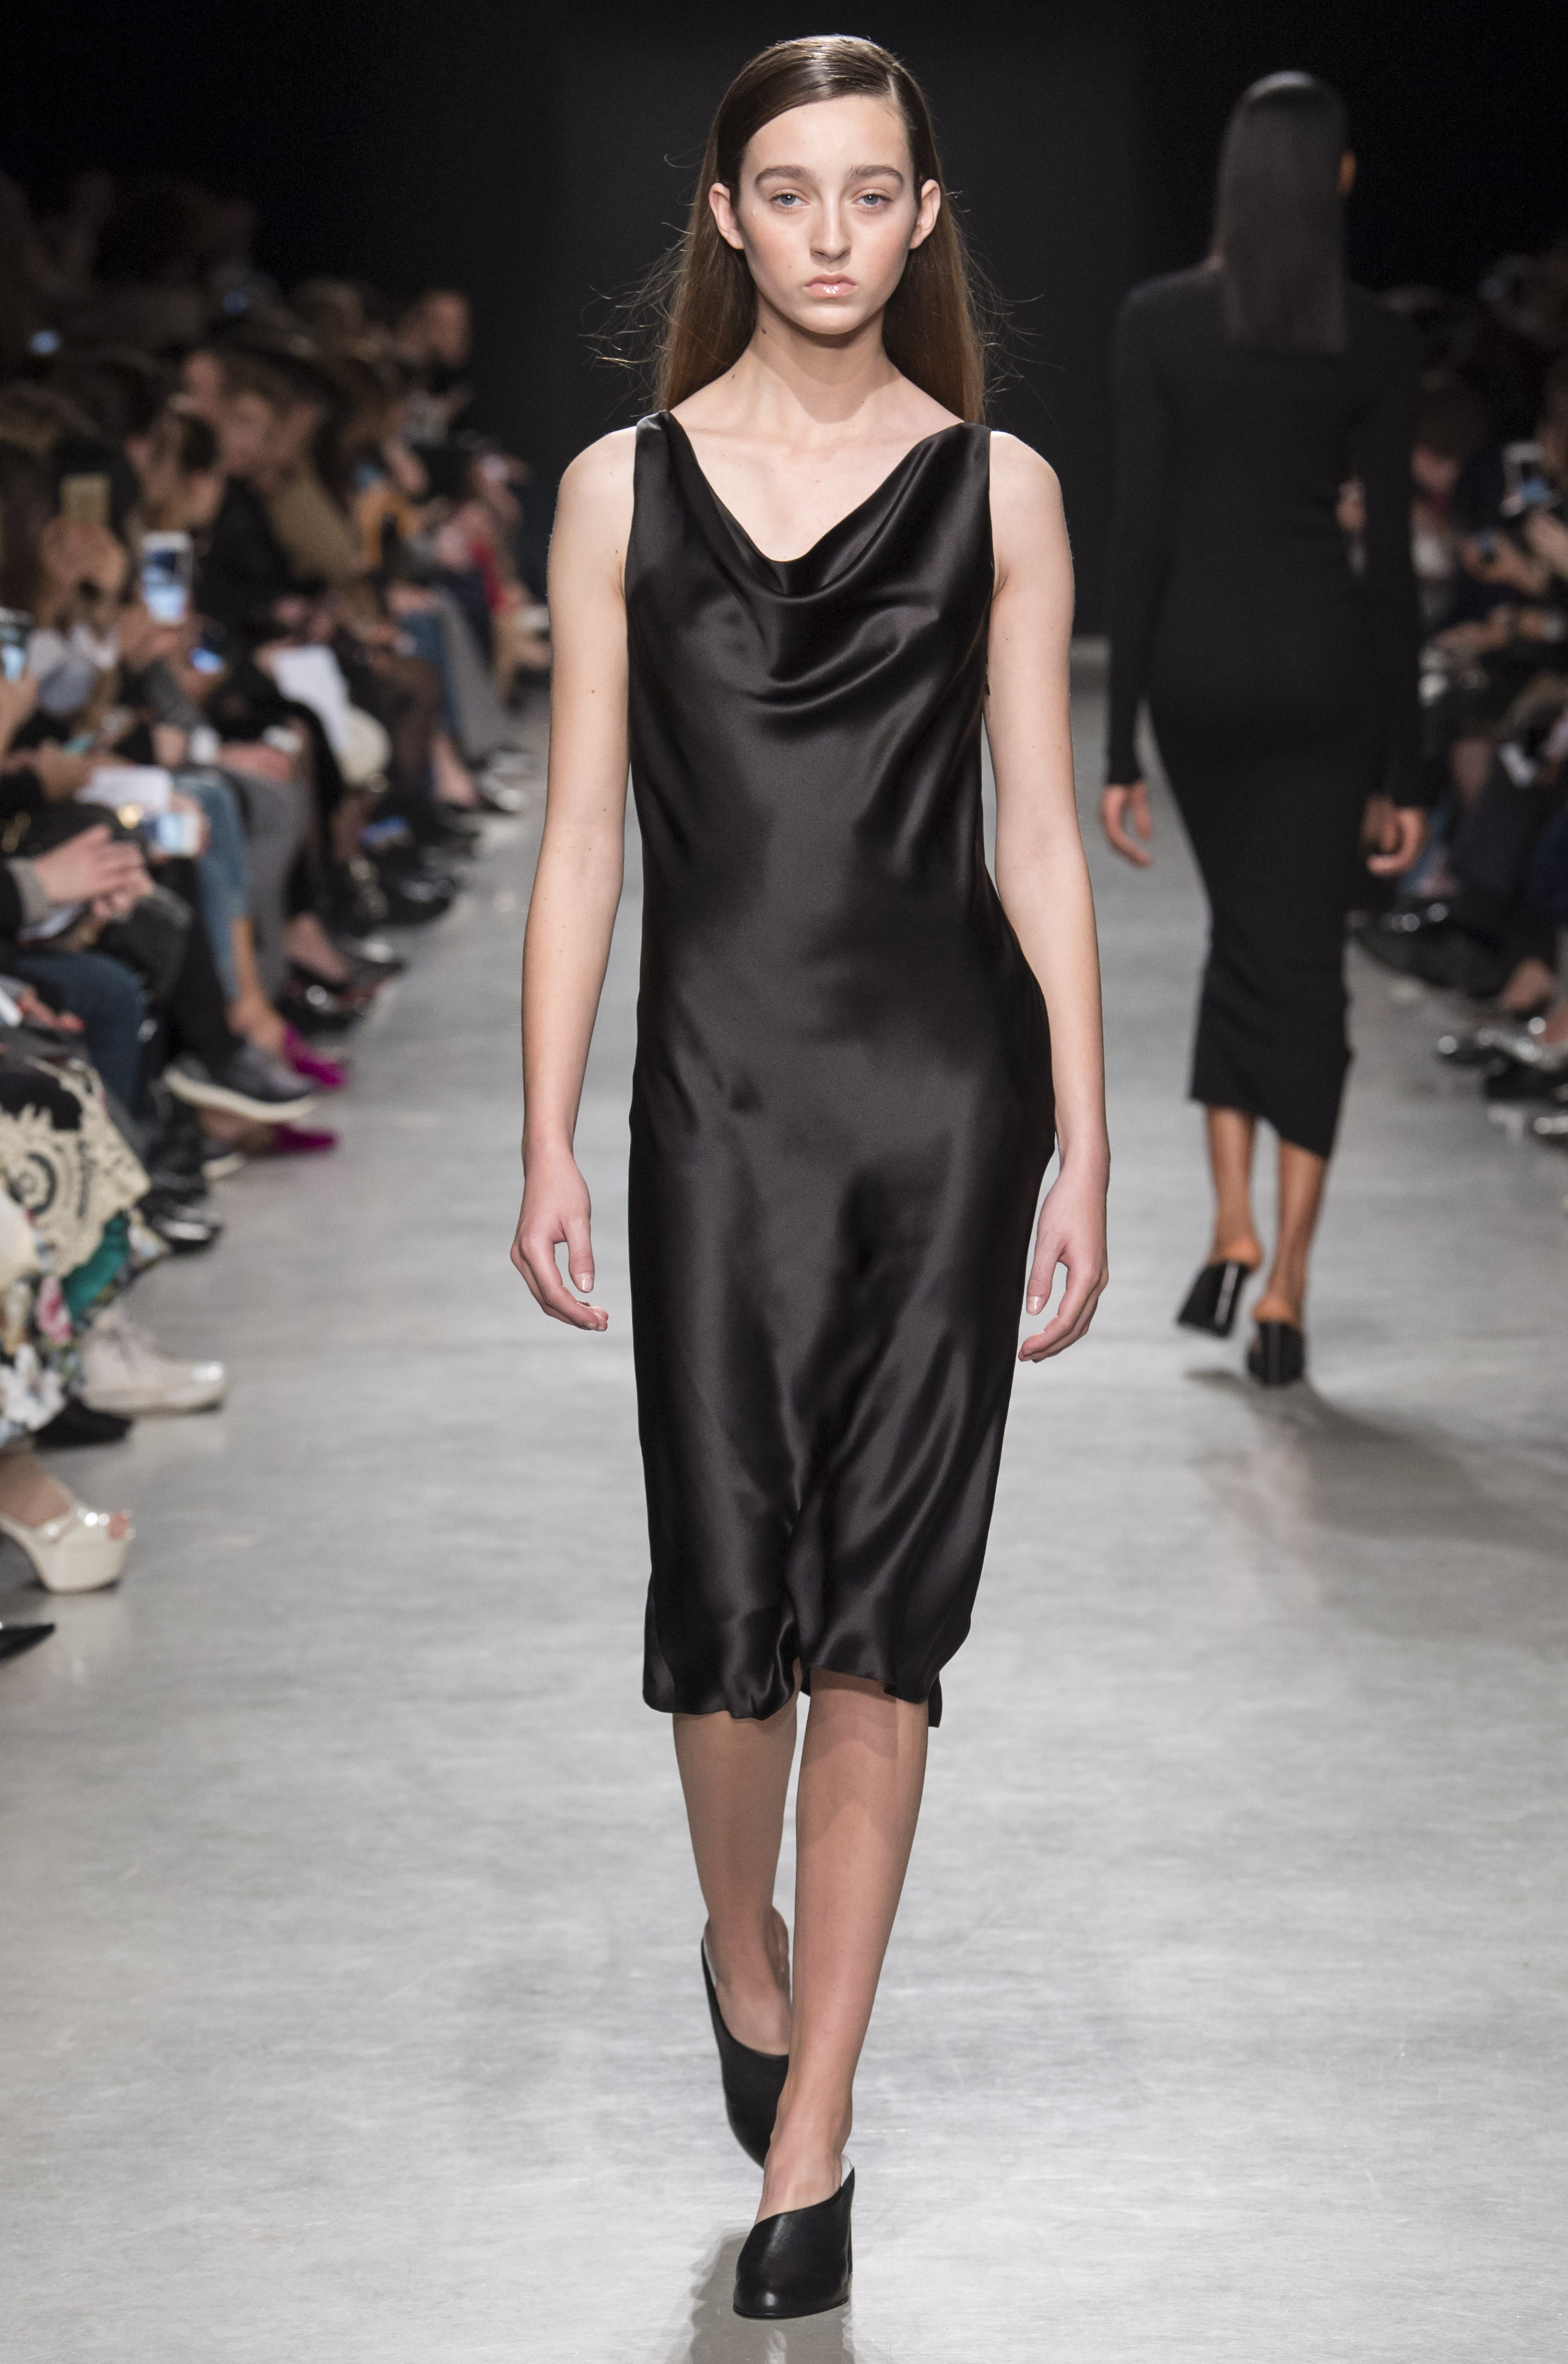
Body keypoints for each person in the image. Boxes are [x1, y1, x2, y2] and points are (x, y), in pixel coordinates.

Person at [510, 32, 1107, 2324]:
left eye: (872, 192)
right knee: (724, 1605)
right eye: (791, 191)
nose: (833, 232)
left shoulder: (1003, 492)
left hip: (944, 1105)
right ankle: (739, 1944)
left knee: (882, 1625)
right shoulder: (616, 492)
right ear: (727, 215)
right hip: (713, 1103)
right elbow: (582, 829)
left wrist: (1085, 1127)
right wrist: (542, 1122)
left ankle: (814, 2127)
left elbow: (1035, 826)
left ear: (923, 216)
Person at [1102, 72, 1428, 1385]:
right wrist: (1404, 768)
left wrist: (1119, 743)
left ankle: (1231, 1223)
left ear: (1234, 182)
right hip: (1322, 672)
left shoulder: (1157, 324)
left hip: (1199, 679)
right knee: (1303, 961)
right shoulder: (1377, 341)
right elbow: (1392, 569)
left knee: (1244, 936)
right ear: (1339, 180)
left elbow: (1140, 538)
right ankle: (1285, 1279)